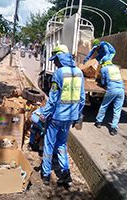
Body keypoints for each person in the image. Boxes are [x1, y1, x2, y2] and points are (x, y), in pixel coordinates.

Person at [39, 44, 85, 186]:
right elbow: (82, 98)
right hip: (70, 117)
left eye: (55, 60)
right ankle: (66, 173)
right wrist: (77, 115)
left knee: (49, 144)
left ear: (60, 57)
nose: (54, 63)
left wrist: (44, 114)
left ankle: (46, 174)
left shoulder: (58, 73)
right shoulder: (79, 72)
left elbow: (52, 99)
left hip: (56, 117)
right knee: (61, 144)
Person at [94, 61, 125, 136]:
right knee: (117, 109)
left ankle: (98, 122)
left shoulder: (104, 69)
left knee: (104, 105)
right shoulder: (116, 68)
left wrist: (100, 83)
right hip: (121, 90)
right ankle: (114, 128)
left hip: (112, 89)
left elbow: (103, 81)